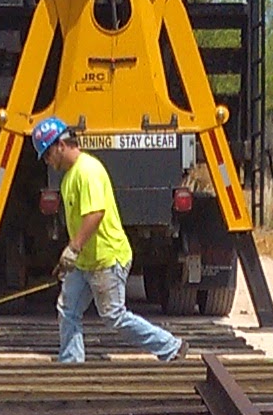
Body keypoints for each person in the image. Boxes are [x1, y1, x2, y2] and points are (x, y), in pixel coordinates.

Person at [31, 115, 183, 365]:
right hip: (85, 262)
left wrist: (73, 248)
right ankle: (71, 362)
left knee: (114, 316)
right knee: (67, 310)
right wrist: (73, 256)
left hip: (107, 258)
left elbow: (95, 213)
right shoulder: (70, 176)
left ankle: (170, 347)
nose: (47, 160)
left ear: (60, 145)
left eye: (48, 154)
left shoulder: (87, 171)